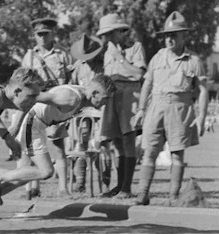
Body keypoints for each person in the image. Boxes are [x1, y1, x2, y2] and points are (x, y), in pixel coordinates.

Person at [0, 75, 117, 219]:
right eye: (106, 98)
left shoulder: (80, 97)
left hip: (38, 125)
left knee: (24, 176)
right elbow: (30, 98)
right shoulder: (71, 98)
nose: (107, 102)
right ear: (95, 93)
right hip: (31, 124)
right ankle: (0, 176)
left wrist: (57, 125)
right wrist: (15, 125)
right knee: (46, 171)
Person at [132, 11, 209, 206]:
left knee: (177, 153)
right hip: (156, 106)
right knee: (149, 151)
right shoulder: (158, 57)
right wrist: (141, 109)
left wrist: (201, 117)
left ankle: (173, 196)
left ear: (184, 35)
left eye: (174, 35)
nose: (169, 39)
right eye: (167, 35)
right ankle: (143, 193)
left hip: (180, 108)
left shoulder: (193, 60)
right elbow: (147, 84)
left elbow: (202, 90)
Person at [21, 16, 74, 199]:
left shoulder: (63, 54)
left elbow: (71, 80)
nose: (42, 38)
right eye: (39, 34)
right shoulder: (29, 56)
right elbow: (21, 82)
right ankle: (31, 189)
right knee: (30, 148)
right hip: (34, 105)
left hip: (56, 105)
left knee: (58, 147)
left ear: (53, 34)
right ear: (35, 36)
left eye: (46, 34)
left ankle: (63, 188)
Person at [96, 13, 145, 199]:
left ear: (119, 31)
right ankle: (119, 186)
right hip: (112, 95)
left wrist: (121, 58)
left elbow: (139, 74)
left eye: (109, 33)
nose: (106, 38)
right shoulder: (107, 51)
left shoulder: (135, 47)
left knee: (128, 140)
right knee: (116, 141)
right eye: (104, 34)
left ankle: (127, 187)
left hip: (129, 94)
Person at [69, 33, 113, 190]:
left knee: (102, 145)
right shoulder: (78, 67)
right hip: (82, 114)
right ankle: (80, 182)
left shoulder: (104, 67)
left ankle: (105, 182)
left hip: (102, 113)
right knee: (81, 144)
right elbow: (71, 87)